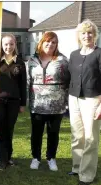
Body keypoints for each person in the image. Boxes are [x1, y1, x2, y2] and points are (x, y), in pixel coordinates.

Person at [67, 19, 101, 185]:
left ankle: (87, 174)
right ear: (79, 35)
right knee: (77, 135)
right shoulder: (74, 54)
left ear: (95, 35)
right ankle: (77, 167)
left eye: (90, 32)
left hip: (93, 99)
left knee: (91, 138)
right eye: (83, 33)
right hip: (74, 98)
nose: (86, 35)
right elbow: (70, 77)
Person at [27, 31, 70, 171]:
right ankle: (36, 158)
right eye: (48, 41)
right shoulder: (32, 60)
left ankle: (51, 158)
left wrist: (68, 101)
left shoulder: (62, 60)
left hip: (56, 105)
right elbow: (28, 81)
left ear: (56, 45)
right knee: (36, 133)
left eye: (54, 42)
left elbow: (68, 81)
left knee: (53, 133)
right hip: (37, 104)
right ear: (42, 42)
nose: (50, 44)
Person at [0, 33, 27, 170]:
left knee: (10, 130)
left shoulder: (20, 63)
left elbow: (23, 84)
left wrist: (22, 104)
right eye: (6, 44)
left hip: (14, 102)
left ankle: (8, 157)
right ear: (2, 46)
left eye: (11, 44)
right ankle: (2, 159)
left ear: (15, 45)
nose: (8, 47)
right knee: (1, 130)